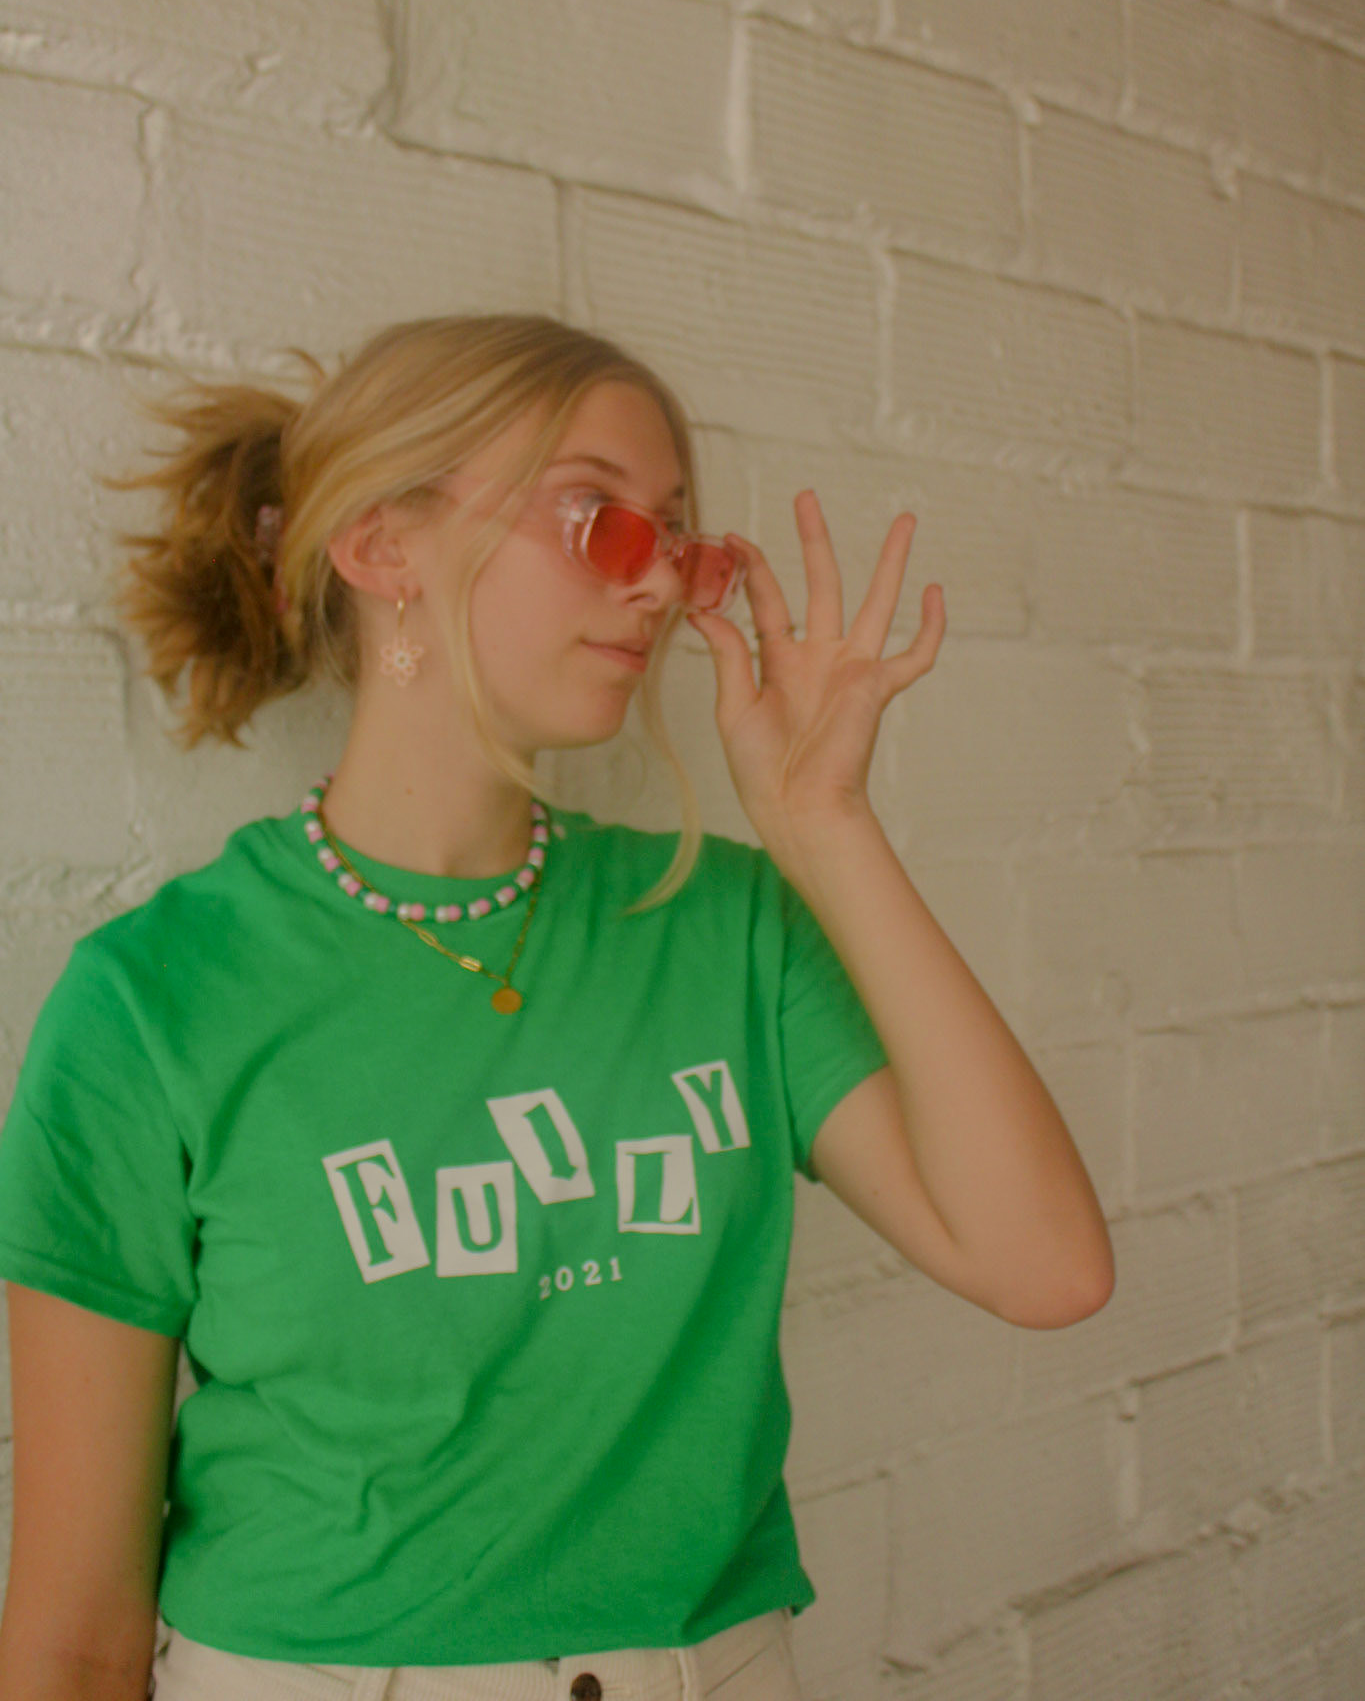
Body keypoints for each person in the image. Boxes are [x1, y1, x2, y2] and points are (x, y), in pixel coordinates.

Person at [0, 313, 1114, 1701]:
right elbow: (74, 1634)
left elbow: (1043, 1268)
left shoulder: (725, 924)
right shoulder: (153, 999)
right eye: (598, 519)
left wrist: (822, 821)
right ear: (383, 546)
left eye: (676, 537)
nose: (655, 583)